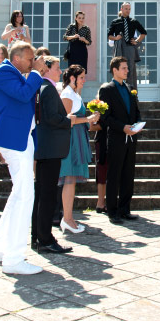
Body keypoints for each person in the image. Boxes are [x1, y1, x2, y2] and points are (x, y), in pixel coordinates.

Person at [0, 41, 45, 275]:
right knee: (25, 197)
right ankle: (14, 258)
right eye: (30, 59)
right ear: (18, 58)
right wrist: (37, 73)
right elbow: (23, 95)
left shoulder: (12, 72)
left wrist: (33, 74)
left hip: (19, 137)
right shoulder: (4, 72)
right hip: (14, 138)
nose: (33, 62)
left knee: (18, 195)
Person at [31, 56, 76, 254]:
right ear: (47, 69)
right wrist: (69, 120)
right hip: (50, 150)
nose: (60, 72)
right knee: (47, 196)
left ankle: (37, 237)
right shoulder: (48, 89)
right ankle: (46, 239)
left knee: (41, 194)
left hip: (45, 149)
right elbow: (52, 118)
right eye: (57, 68)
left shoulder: (42, 87)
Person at [98, 56, 143, 224]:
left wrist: (138, 123)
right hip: (116, 137)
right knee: (114, 174)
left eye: (127, 68)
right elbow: (105, 117)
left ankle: (125, 209)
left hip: (131, 137)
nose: (127, 71)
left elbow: (135, 110)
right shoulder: (107, 89)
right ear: (115, 70)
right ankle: (112, 211)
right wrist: (122, 127)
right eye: (124, 68)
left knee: (128, 174)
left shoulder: (130, 88)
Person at [59, 64, 101, 233]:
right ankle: (67, 219)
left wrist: (90, 120)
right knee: (69, 180)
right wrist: (87, 119)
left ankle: (69, 218)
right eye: (82, 77)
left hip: (76, 138)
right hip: (70, 140)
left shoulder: (74, 93)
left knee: (71, 181)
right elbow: (66, 120)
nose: (84, 80)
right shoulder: (68, 94)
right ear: (72, 78)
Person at [107, 3, 146, 90]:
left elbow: (143, 33)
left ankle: (131, 93)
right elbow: (109, 36)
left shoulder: (133, 21)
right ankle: (118, 91)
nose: (128, 11)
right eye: (126, 9)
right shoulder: (115, 22)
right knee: (118, 68)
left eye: (129, 9)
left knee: (130, 70)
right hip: (119, 48)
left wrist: (137, 41)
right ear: (121, 9)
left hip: (130, 47)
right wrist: (115, 37)